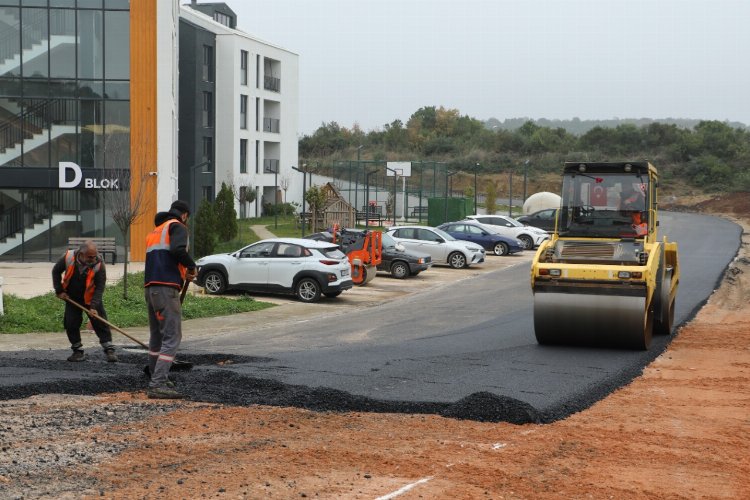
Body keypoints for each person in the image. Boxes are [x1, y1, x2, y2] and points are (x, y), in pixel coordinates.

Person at [143, 200, 197, 399]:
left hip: (151, 288)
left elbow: (164, 257)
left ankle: (157, 377)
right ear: (184, 215)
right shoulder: (177, 227)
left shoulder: (155, 231)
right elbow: (177, 251)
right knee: (172, 337)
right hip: (166, 288)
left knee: (157, 336)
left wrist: (183, 272)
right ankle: (158, 384)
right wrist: (192, 267)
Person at [52, 240, 118, 362]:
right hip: (72, 297)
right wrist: (59, 290)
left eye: (94, 256)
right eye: (90, 257)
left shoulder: (99, 263)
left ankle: (109, 349)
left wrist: (93, 306)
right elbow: (56, 271)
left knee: (100, 321)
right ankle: (77, 351)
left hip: (91, 297)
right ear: (81, 254)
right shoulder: (68, 257)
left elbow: (100, 286)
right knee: (71, 323)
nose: (93, 259)